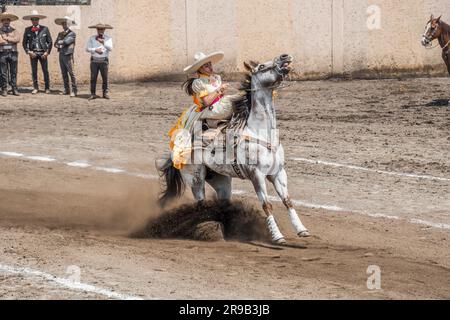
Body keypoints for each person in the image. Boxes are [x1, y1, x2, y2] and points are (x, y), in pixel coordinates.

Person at [169, 51, 235, 169]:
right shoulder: (198, 82)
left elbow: (220, 97)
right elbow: (207, 102)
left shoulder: (216, 78)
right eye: (206, 66)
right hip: (206, 109)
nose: (210, 67)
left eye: (210, 64)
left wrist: (222, 92)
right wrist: (219, 90)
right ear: (200, 69)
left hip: (218, 107)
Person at [22, 10, 53, 94]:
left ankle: (47, 88)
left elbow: (50, 42)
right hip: (33, 53)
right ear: (31, 20)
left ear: (38, 20)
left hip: (43, 53)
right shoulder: (27, 29)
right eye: (33, 19)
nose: (35, 20)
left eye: (36, 19)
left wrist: (47, 52)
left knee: (45, 70)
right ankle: (36, 87)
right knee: (34, 71)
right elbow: (24, 43)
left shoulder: (45, 29)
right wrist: (29, 52)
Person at [86, 23, 113, 100]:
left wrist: (103, 42)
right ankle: (93, 94)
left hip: (104, 61)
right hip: (94, 61)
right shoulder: (92, 38)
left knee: (105, 78)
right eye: (98, 29)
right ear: (96, 30)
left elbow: (110, 48)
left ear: (104, 30)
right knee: (93, 78)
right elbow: (87, 49)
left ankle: (105, 93)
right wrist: (95, 50)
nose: (100, 30)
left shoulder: (108, 38)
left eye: (102, 29)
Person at [54, 16, 77, 97]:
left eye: (66, 23)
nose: (64, 25)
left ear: (69, 24)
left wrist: (60, 42)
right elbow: (55, 44)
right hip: (61, 54)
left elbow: (67, 42)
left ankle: (74, 90)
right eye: (63, 24)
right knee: (64, 73)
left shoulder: (72, 33)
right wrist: (59, 44)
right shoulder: (60, 34)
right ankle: (66, 89)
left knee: (71, 73)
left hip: (68, 55)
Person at [0, 11, 20, 97]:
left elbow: (17, 39)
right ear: (2, 21)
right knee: (3, 72)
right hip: (3, 53)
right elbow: (0, 41)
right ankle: (4, 89)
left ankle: (14, 88)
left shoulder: (14, 30)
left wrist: (7, 38)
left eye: (8, 20)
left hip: (13, 53)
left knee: (14, 71)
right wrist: (10, 40)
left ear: (10, 21)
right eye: (4, 20)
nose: (6, 22)